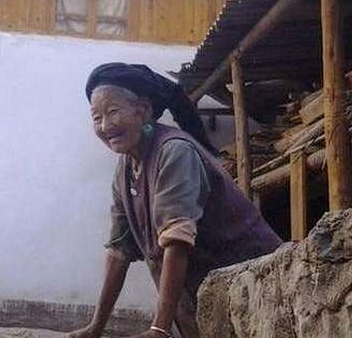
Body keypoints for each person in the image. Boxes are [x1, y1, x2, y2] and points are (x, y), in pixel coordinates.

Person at [69, 63, 282, 338]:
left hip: (256, 292)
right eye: (96, 117)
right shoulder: (125, 169)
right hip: (209, 307)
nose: (105, 125)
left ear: (143, 110)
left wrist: (159, 328)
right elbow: (119, 251)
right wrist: (95, 328)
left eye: (113, 112)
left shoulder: (174, 152)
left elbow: (177, 240)